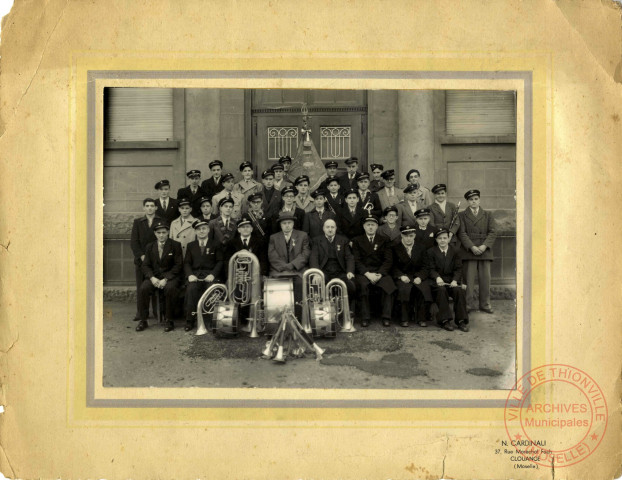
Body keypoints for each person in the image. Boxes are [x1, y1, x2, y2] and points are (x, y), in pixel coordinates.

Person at [136, 220, 183, 332]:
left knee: (170, 288)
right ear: (155, 234)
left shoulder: (175, 245)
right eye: (159, 233)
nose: (161, 235)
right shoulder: (150, 246)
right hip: (154, 277)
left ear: (167, 233)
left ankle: (169, 320)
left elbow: (178, 265)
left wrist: (166, 279)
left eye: (163, 232)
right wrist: (152, 278)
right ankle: (143, 320)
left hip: (170, 277)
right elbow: (145, 265)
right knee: (143, 288)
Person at [351, 215, 396, 327]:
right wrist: (367, 274)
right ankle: (365, 317)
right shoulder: (357, 240)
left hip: (380, 272)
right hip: (364, 272)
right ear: (364, 227)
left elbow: (388, 260)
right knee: (362, 286)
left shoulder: (384, 240)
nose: (370, 227)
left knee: (388, 284)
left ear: (377, 227)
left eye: (373, 225)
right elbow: (356, 261)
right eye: (368, 225)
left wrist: (380, 274)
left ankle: (386, 317)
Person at [458, 189, 497, 314]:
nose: (473, 201)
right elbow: (462, 233)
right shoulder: (462, 215)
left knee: (485, 280)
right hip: (469, 251)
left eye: (476, 199)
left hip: (484, 251)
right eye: (471, 199)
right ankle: (468, 305)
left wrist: (484, 246)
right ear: (467, 201)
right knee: (468, 281)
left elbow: (492, 232)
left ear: (479, 200)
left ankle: (485, 304)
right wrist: (472, 247)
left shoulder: (488, 215)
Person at [183, 219, 224, 331]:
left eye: (204, 228)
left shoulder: (216, 244)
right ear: (195, 231)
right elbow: (186, 262)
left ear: (208, 230)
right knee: (191, 289)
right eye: (199, 229)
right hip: (195, 276)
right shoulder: (191, 245)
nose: (202, 231)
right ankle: (190, 321)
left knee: (212, 290)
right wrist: (190, 275)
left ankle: (211, 320)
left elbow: (220, 261)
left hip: (209, 275)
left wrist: (213, 275)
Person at [268, 212, 311, 316]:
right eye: (284, 223)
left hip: (297, 270)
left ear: (293, 224)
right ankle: (279, 316)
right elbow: (272, 255)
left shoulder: (302, 235)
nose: (287, 225)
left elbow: (305, 253)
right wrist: (284, 267)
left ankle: (299, 316)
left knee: (300, 285)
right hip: (279, 270)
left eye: (289, 223)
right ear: (280, 225)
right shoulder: (273, 237)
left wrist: (292, 265)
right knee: (277, 287)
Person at [309, 219, 356, 315]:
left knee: (350, 285)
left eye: (332, 227)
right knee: (317, 284)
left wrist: (350, 271)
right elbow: (313, 257)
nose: (330, 229)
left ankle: (347, 312)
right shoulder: (317, 240)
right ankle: (322, 315)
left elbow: (349, 257)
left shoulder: (343, 240)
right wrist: (317, 273)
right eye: (327, 227)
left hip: (340, 272)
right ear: (323, 229)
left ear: (336, 228)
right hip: (324, 272)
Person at [425, 229, 469, 331]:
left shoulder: (455, 251)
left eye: (445, 238)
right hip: (437, 282)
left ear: (449, 239)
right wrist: (437, 277)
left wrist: (455, 280)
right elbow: (430, 269)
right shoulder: (431, 252)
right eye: (440, 238)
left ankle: (461, 321)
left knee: (459, 291)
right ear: (436, 240)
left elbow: (458, 268)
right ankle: (445, 321)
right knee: (441, 290)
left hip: (451, 281)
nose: (442, 240)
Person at [392, 225, 432, 327]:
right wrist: (401, 276)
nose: (408, 238)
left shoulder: (421, 247)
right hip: (404, 276)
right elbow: (393, 266)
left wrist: (420, 277)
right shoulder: (396, 248)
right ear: (401, 236)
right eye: (406, 236)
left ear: (414, 235)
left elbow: (426, 266)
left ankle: (421, 318)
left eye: (411, 236)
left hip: (417, 275)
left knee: (423, 288)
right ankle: (404, 318)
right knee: (403, 289)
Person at [130, 198, 160, 321]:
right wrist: (141, 255)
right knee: (141, 287)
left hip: (157, 261)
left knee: (155, 285)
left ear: (156, 208)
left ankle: (157, 312)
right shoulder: (138, 222)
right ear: (144, 208)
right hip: (141, 261)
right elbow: (134, 242)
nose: (149, 208)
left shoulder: (161, 221)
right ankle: (141, 312)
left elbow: (163, 239)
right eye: (147, 206)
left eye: (152, 206)